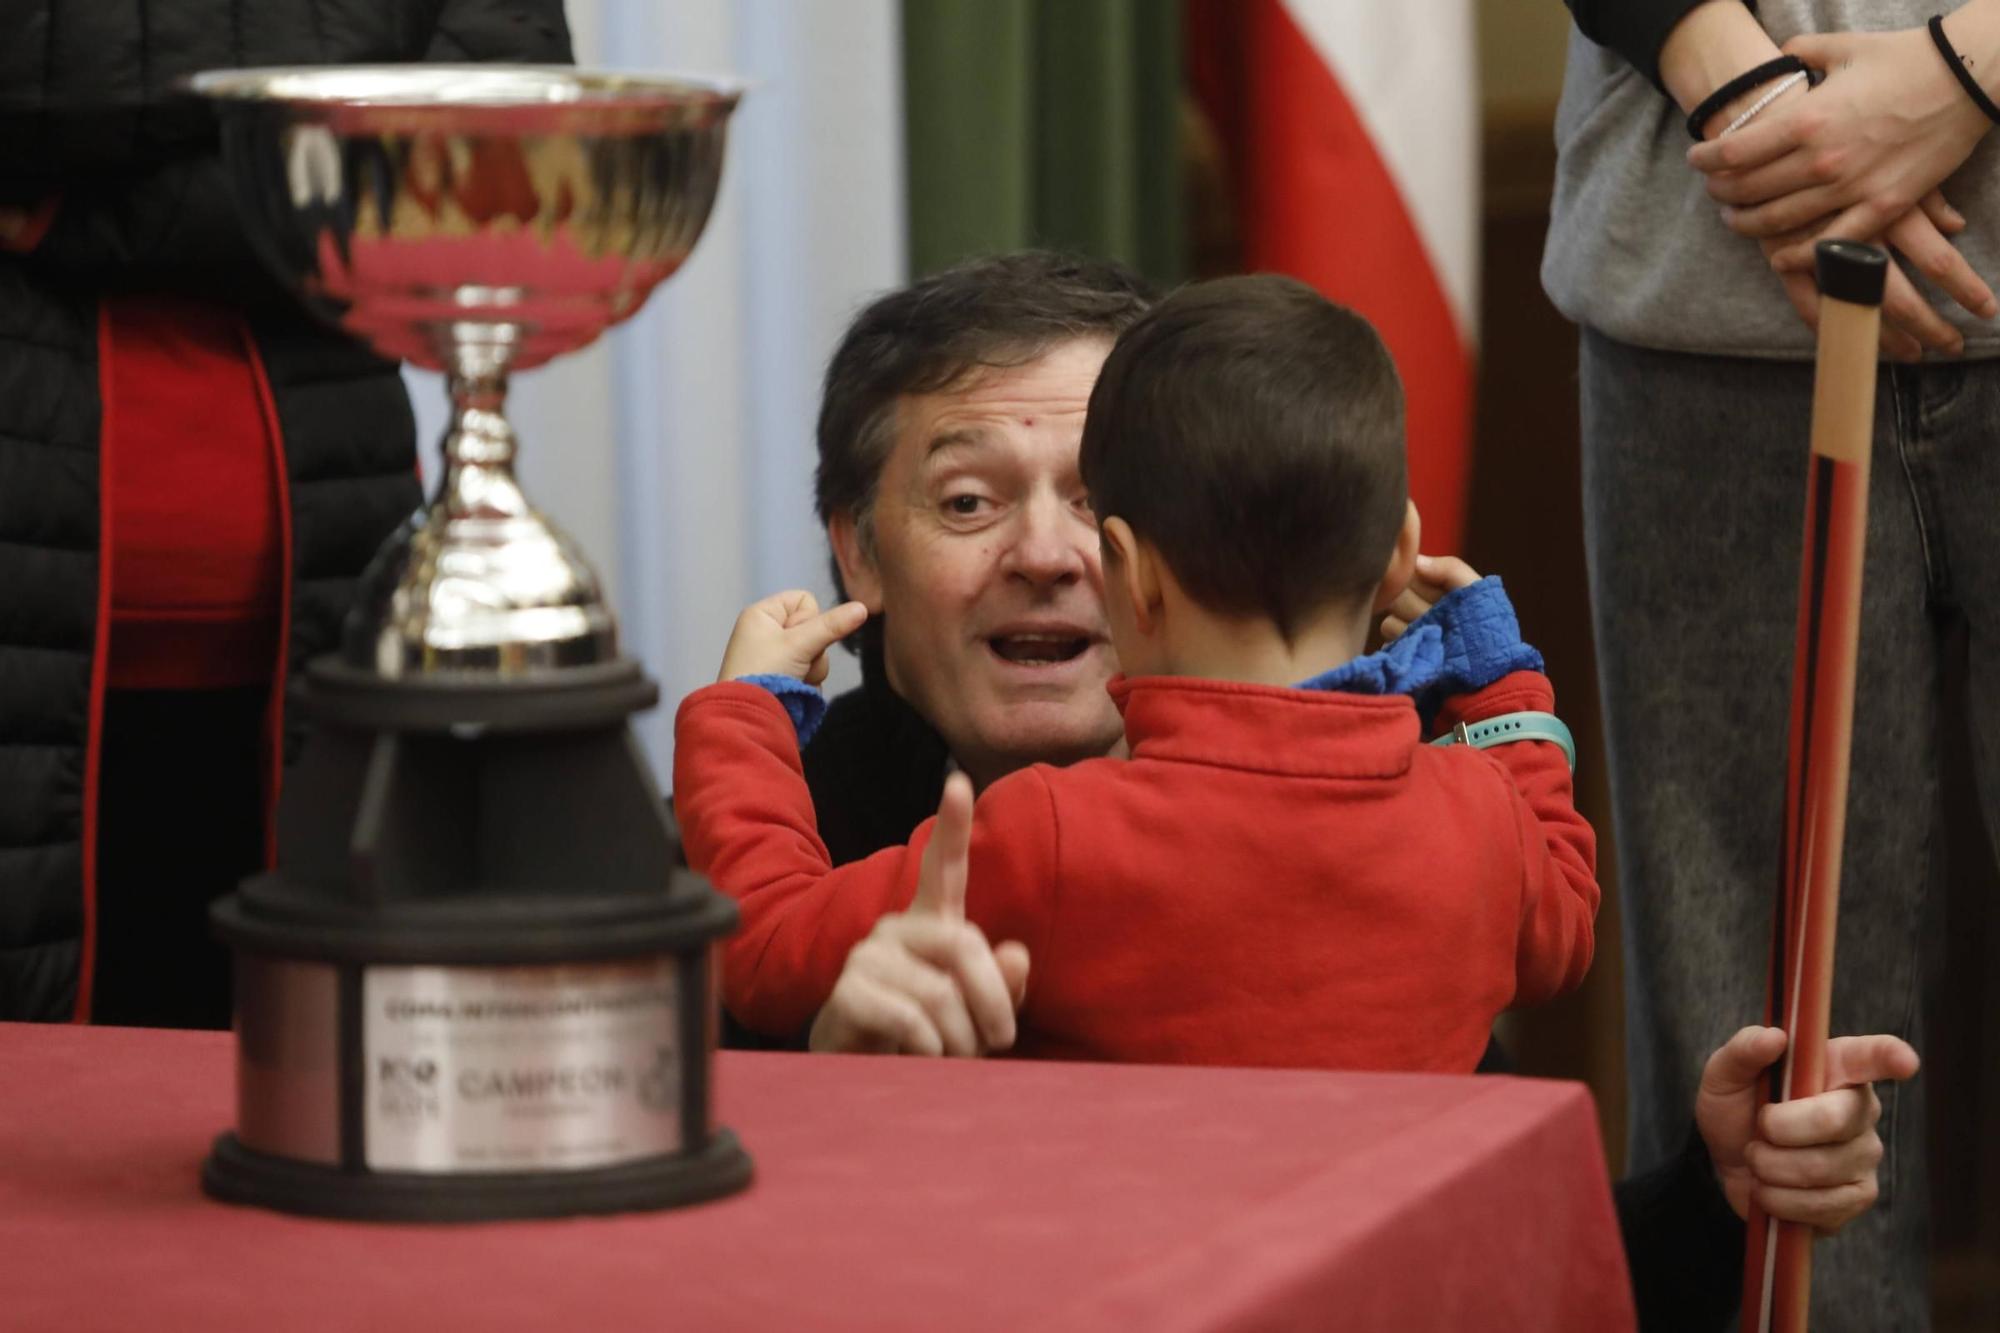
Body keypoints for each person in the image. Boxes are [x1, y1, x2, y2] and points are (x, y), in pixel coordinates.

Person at [678, 276, 1598, 1069]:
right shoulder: (1473, 818)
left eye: (1093, 500)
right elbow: (1564, 917)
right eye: (968, 500)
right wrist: (1501, 681)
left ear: (1135, 571)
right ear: (859, 551)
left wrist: (744, 713)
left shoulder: (1046, 832)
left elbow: (762, 938)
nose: (1045, 553)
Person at [1548, 3, 2000, 1325]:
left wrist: (1971, 64)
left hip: (1735, 225)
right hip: (1707, 287)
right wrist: (1739, 95)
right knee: (1764, 1065)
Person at [0, 0, 574, 1026]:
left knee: (309, 1087)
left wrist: (79, 214)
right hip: (41, 610)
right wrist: (290, 123)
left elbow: (489, 129)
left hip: (317, 582)